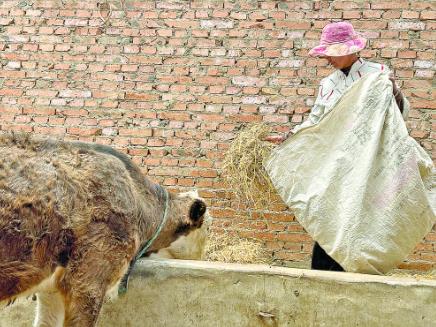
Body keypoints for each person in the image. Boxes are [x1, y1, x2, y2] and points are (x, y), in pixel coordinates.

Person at [265, 21, 410, 271]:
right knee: (330, 212)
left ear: (349, 51)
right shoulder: (328, 84)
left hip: (367, 160)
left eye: (331, 54)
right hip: (336, 162)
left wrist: (394, 92)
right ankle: (323, 272)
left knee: (358, 213)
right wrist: (290, 136)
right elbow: (316, 122)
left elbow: (399, 115)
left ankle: (357, 268)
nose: (327, 60)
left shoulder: (377, 75)